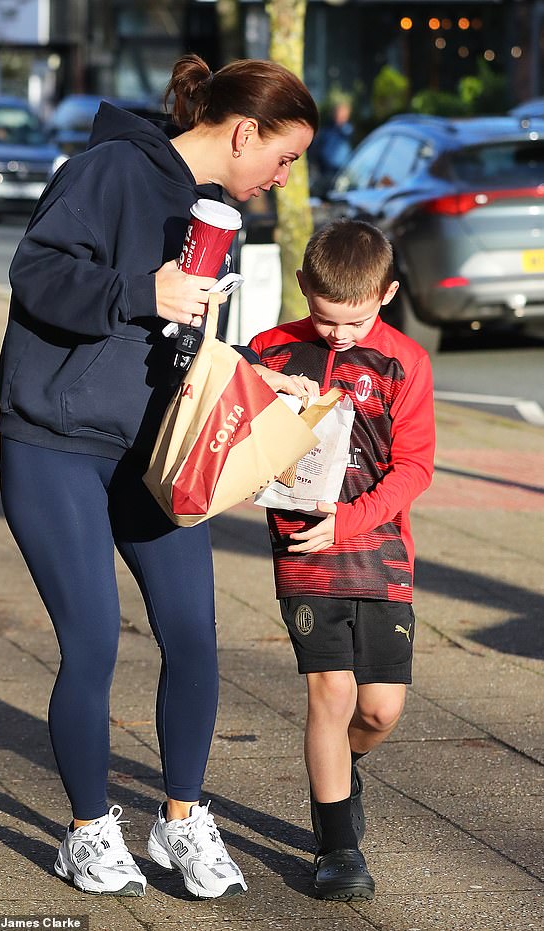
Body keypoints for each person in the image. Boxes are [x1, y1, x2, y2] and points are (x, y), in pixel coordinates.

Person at [0, 53, 319, 899]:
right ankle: (88, 830)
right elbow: (36, 273)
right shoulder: (110, 169)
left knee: (195, 634)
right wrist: (144, 289)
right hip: (56, 439)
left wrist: (257, 375)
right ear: (243, 132)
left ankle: (180, 821)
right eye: (282, 158)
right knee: (94, 638)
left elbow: (184, 339)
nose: (284, 178)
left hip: (159, 452)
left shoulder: (215, 212)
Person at [249, 219, 435, 901]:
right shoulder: (271, 350)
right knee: (331, 690)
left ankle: (342, 768)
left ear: (385, 295)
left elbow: (415, 468)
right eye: (326, 319)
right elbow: (236, 438)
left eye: (353, 322)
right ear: (304, 289)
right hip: (302, 546)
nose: (336, 336)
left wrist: (349, 521)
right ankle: (337, 846)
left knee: (380, 708)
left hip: (379, 545)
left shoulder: (407, 361)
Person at [310, 98, 353, 198]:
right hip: (325, 172)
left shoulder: (348, 131)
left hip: (341, 172)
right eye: (337, 113)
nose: (339, 116)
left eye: (342, 114)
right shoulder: (326, 130)